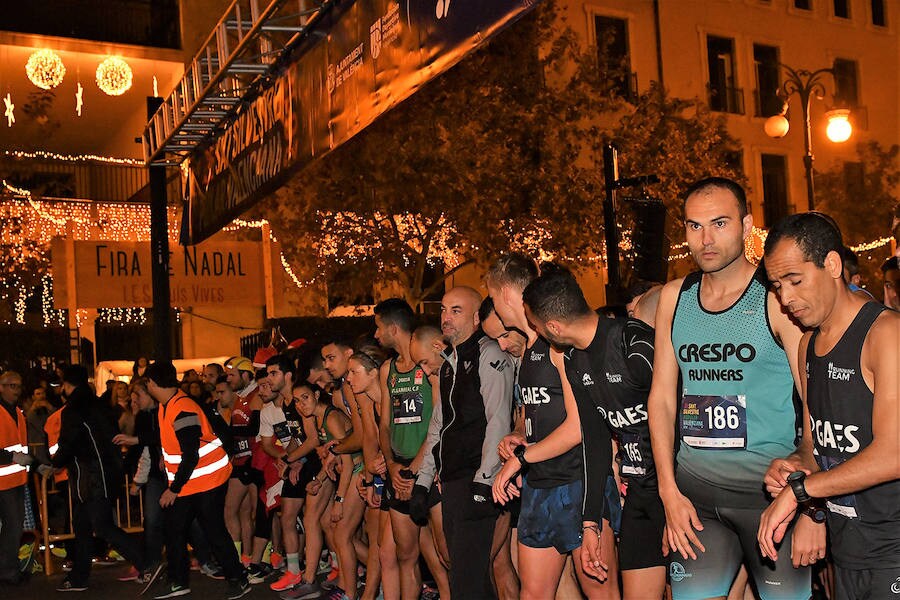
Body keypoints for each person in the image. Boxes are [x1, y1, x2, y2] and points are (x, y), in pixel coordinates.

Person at [647, 177, 810, 599]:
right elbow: (662, 398)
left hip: (771, 499)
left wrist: (811, 499)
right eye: (694, 226)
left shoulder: (775, 298)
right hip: (695, 498)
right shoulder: (673, 297)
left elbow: (815, 399)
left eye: (719, 223)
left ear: (747, 225)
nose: (706, 239)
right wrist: (668, 491)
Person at [758, 213, 900, 599]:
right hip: (847, 547)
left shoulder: (885, 334)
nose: (785, 298)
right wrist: (794, 468)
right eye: (776, 286)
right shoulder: (807, 345)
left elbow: (893, 454)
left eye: (795, 280)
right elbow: (814, 444)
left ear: (833, 265)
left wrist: (801, 492)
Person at [521, 266, 665, 599]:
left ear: (553, 327)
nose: (535, 331)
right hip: (642, 496)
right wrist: (589, 524)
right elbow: (595, 443)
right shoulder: (573, 361)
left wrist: (674, 496)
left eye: (535, 324)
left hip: (684, 491)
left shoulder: (632, 340)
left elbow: (680, 418)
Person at [485, 256, 616, 600]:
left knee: (600, 592)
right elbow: (540, 414)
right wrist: (519, 437)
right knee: (534, 594)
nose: (495, 308)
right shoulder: (528, 348)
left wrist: (520, 459)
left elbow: (578, 428)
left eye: (494, 298)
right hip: (539, 486)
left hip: (577, 483)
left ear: (507, 295)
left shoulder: (556, 344)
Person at [416, 286, 514, 598]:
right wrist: (422, 481)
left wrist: (484, 482)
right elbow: (439, 427)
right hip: (454, 481)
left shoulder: (490, 355)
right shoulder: (448, 365)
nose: (446, 318)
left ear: (475, 318)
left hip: (478, 480)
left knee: (468, 579)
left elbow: (498, 420)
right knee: (465, 575)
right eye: (443, 310)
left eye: (456, 310)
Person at [145, 360, 250, 600]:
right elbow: (181, 447)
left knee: (212, 530)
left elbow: (191, 453)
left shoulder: (181, 407)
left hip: (206, 479)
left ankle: (238, 578)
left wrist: (174, 489)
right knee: (175, 529)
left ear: (152, 383)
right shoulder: (170, 403)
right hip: (194, 479)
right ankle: (178, 581)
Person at [50, 365, 152, 592]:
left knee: (99, 526)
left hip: (89, 477)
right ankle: (79, 576)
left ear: (67, 385)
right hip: (101, 474)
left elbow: (69, 443)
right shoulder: (98, 405)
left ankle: (145, 563)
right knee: (85, 525)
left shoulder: (73, 409)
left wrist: (53, 464)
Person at [373, 299, 448, 600]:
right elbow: (384, 425)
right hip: (399, 469)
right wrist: (392, 466)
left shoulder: (430, 367)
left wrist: (415, 468)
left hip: (429, 467)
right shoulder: (387, 370)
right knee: (407, 555)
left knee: (445, 555)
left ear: (393, 328)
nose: (375, 335)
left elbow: (440, 420)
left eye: (378, 327)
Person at [223, 356, 262, 565]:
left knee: (232, 511)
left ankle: (237, 559)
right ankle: (245, 557)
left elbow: (254, 429)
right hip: (241, 459)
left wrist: (227, 432)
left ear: (246, 375)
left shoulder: (256, 395)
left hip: (252, 461)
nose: (228, 379)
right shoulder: (240, 397)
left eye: (232, 375)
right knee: (245, 513)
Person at [0, 371, 31, 586]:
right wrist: (13, 456)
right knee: (12, 527)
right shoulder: (9, 412)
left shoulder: (17, 412)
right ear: (1, 387)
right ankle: (8, 571)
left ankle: (8, 569)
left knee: (13, 527)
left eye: (18, 386)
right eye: (12, 385)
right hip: (6, 480)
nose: (16, 390)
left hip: (15, 479)